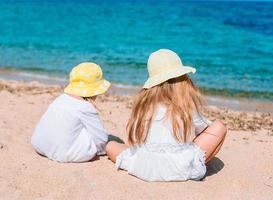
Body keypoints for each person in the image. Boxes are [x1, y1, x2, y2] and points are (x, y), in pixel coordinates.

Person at [105, 49, 227, 181]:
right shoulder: (186, 103)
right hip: (179, 167)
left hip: (146, 167)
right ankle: (198, 165)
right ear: (182, 78)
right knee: (219, 127)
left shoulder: (144, 104)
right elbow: (203, 129)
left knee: (111, 145)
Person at [31, 62, 116, 162]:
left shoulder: (60, 98)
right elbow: (101, 139)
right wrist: (102, 149)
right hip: (63, 154)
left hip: (39, 144)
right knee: (97, 137)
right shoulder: (85, 107)